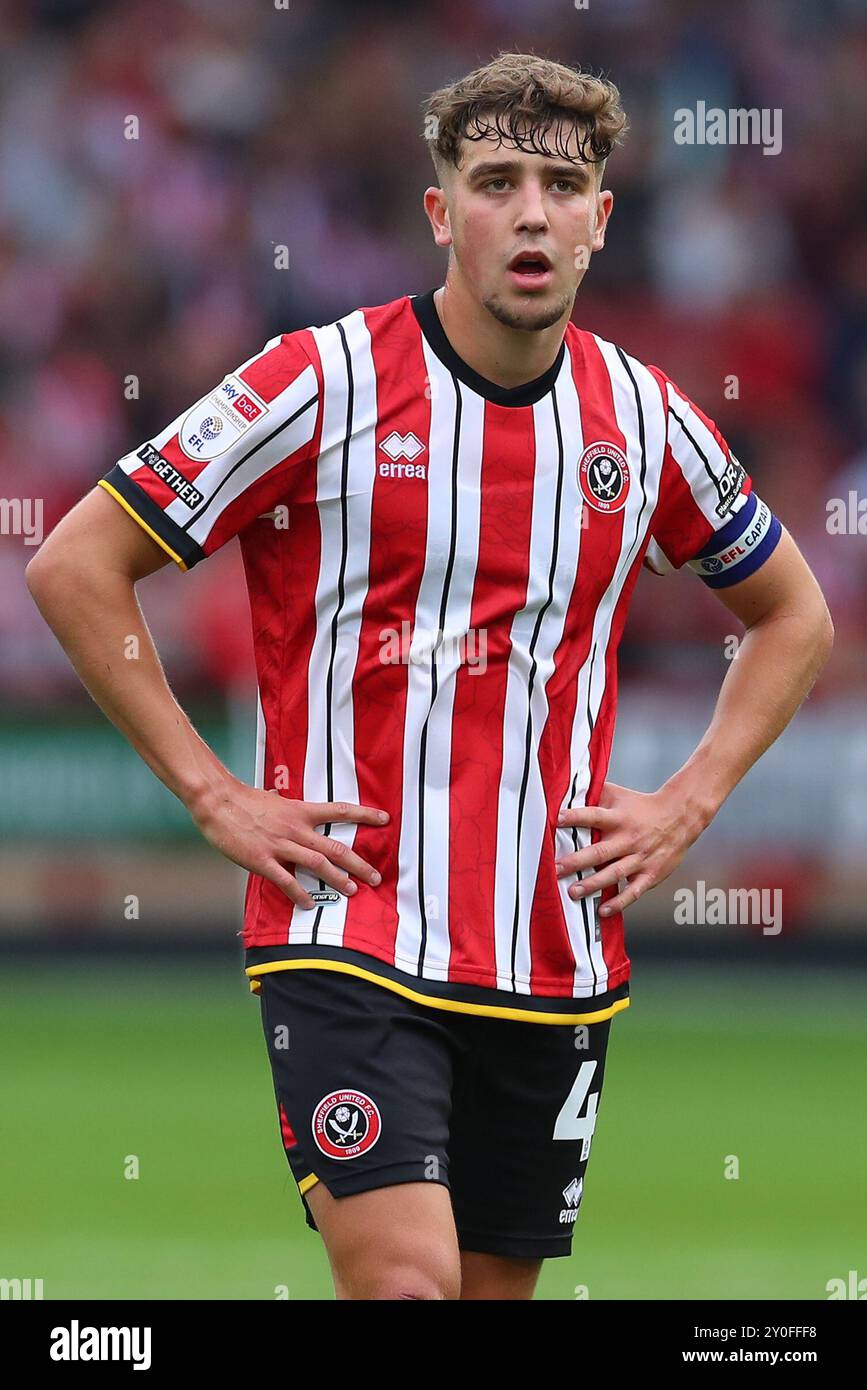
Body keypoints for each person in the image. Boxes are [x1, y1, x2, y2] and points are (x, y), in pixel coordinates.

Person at [26, 52, 833, 1301]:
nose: (529, 211)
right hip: (346, 928)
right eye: (496, 179)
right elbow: (79, 562)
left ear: (600, 219)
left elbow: (793, 615)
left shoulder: (649, 420)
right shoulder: (319, 380)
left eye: (562, 186)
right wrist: (211, 794)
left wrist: (690, 797)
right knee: (408, 1287)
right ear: (439, 210)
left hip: (550, 948)